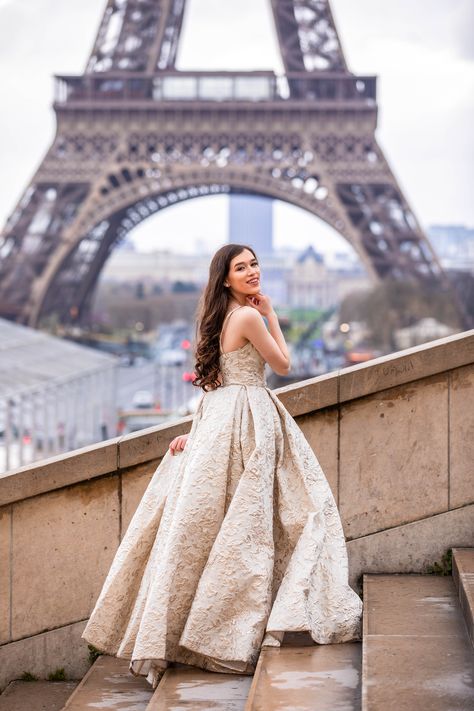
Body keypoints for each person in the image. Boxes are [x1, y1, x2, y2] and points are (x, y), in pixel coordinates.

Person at [81, 243, 363, 690]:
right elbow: (283, 365)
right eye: (241, 267)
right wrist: (270, 314)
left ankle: (193, 630)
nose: (252, 272)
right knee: (267, 520)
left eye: (255, 264)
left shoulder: (218, 319)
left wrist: (197, 434)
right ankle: (232, 628)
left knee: (216, 528)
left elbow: (216, 387)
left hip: (226, 421)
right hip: (253, 419)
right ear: (225, 278)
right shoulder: (249, 317)